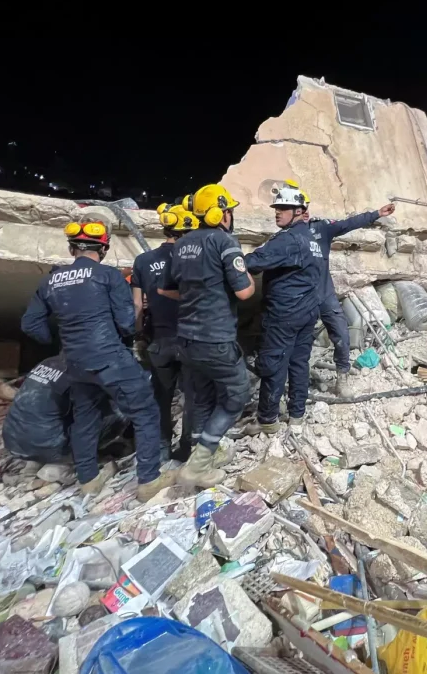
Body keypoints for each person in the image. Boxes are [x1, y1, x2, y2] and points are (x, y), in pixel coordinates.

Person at [21, 221, 173, 500]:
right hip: (109, 358)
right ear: (103, 249)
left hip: (75, 363)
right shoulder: (108, 276)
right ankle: (149, 481)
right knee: (145, 411)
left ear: (71, 249)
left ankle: (88, 481)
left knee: (85, 418)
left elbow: (31, 324)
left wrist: (62, 341)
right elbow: (126, 323)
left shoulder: (50, 281)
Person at [160, 185, 256, 487]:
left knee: (200, 398)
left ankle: (199, 456)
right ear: (221, 214)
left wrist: (198, 294)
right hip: (216, 339)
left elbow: (166, 289)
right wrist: (245, 276)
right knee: (237, 396)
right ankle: (198, 466)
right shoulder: (224, 241)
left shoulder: (182, 244)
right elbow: (244, 291)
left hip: (186, 340)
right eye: (229, 211)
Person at [241, 181, 324, 436]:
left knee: (273, 364)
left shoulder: (287, 240)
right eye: (276, 208)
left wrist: (229, 261)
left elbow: (253, 262)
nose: (277, 212)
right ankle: (297, 415)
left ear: (298, 211)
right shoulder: (310, 238)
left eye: (283, 208)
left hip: (284, 315)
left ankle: (267, 420)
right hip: (307, 312)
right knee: (299, 363)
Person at [307, 202, 396, 395]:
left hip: (324, 293)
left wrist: (376, 214)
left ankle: (342, 378)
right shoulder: (286, 237)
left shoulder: (319, 228)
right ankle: (297, 382)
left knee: (341, 333)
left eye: (304, 208)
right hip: (301, 298)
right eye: (297, 209)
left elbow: (348, 223)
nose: (303, 212)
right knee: (301, 340)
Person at [131, 204, 197, 461]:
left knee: (161, 396)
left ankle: (161, 447)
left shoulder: (143, 261)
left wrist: (139, 335)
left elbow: (137, 305)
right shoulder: (193, 258)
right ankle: (187, 447)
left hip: (160, 340)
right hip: (190, 340)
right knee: (193, 396)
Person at [1, 355, 128, 463]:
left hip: (12, 442)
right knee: (126, 405)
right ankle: (82, 458)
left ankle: (38, 458)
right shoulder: (84, 372)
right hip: (51, 449)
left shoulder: (49, 362)